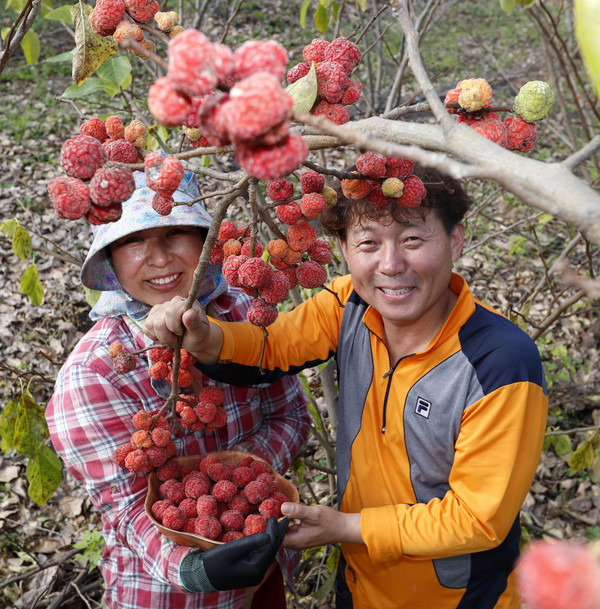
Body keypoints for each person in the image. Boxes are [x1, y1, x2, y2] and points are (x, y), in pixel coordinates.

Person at [143, 165, 549, 609]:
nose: (391, 265)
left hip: (457, 598)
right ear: (343, 249)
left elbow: (476, 520)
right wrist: (204, 337)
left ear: (456, 240)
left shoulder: (501, 362)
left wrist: (344, 528)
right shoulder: (348, 306)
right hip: (357, 584)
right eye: (368, 243)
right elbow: (271, 347)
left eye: (413, 239)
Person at [46, 169, 311, 609]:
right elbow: (129, 509)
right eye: (134, 241)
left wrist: (237, 485)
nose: (160, 257)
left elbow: (292, 416)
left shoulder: (245, 314)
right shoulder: (92, 376)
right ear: (109, 255)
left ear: (204, 237)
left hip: (262, 573)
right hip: (162, 594)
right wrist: (194, 568)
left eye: (175, 233)